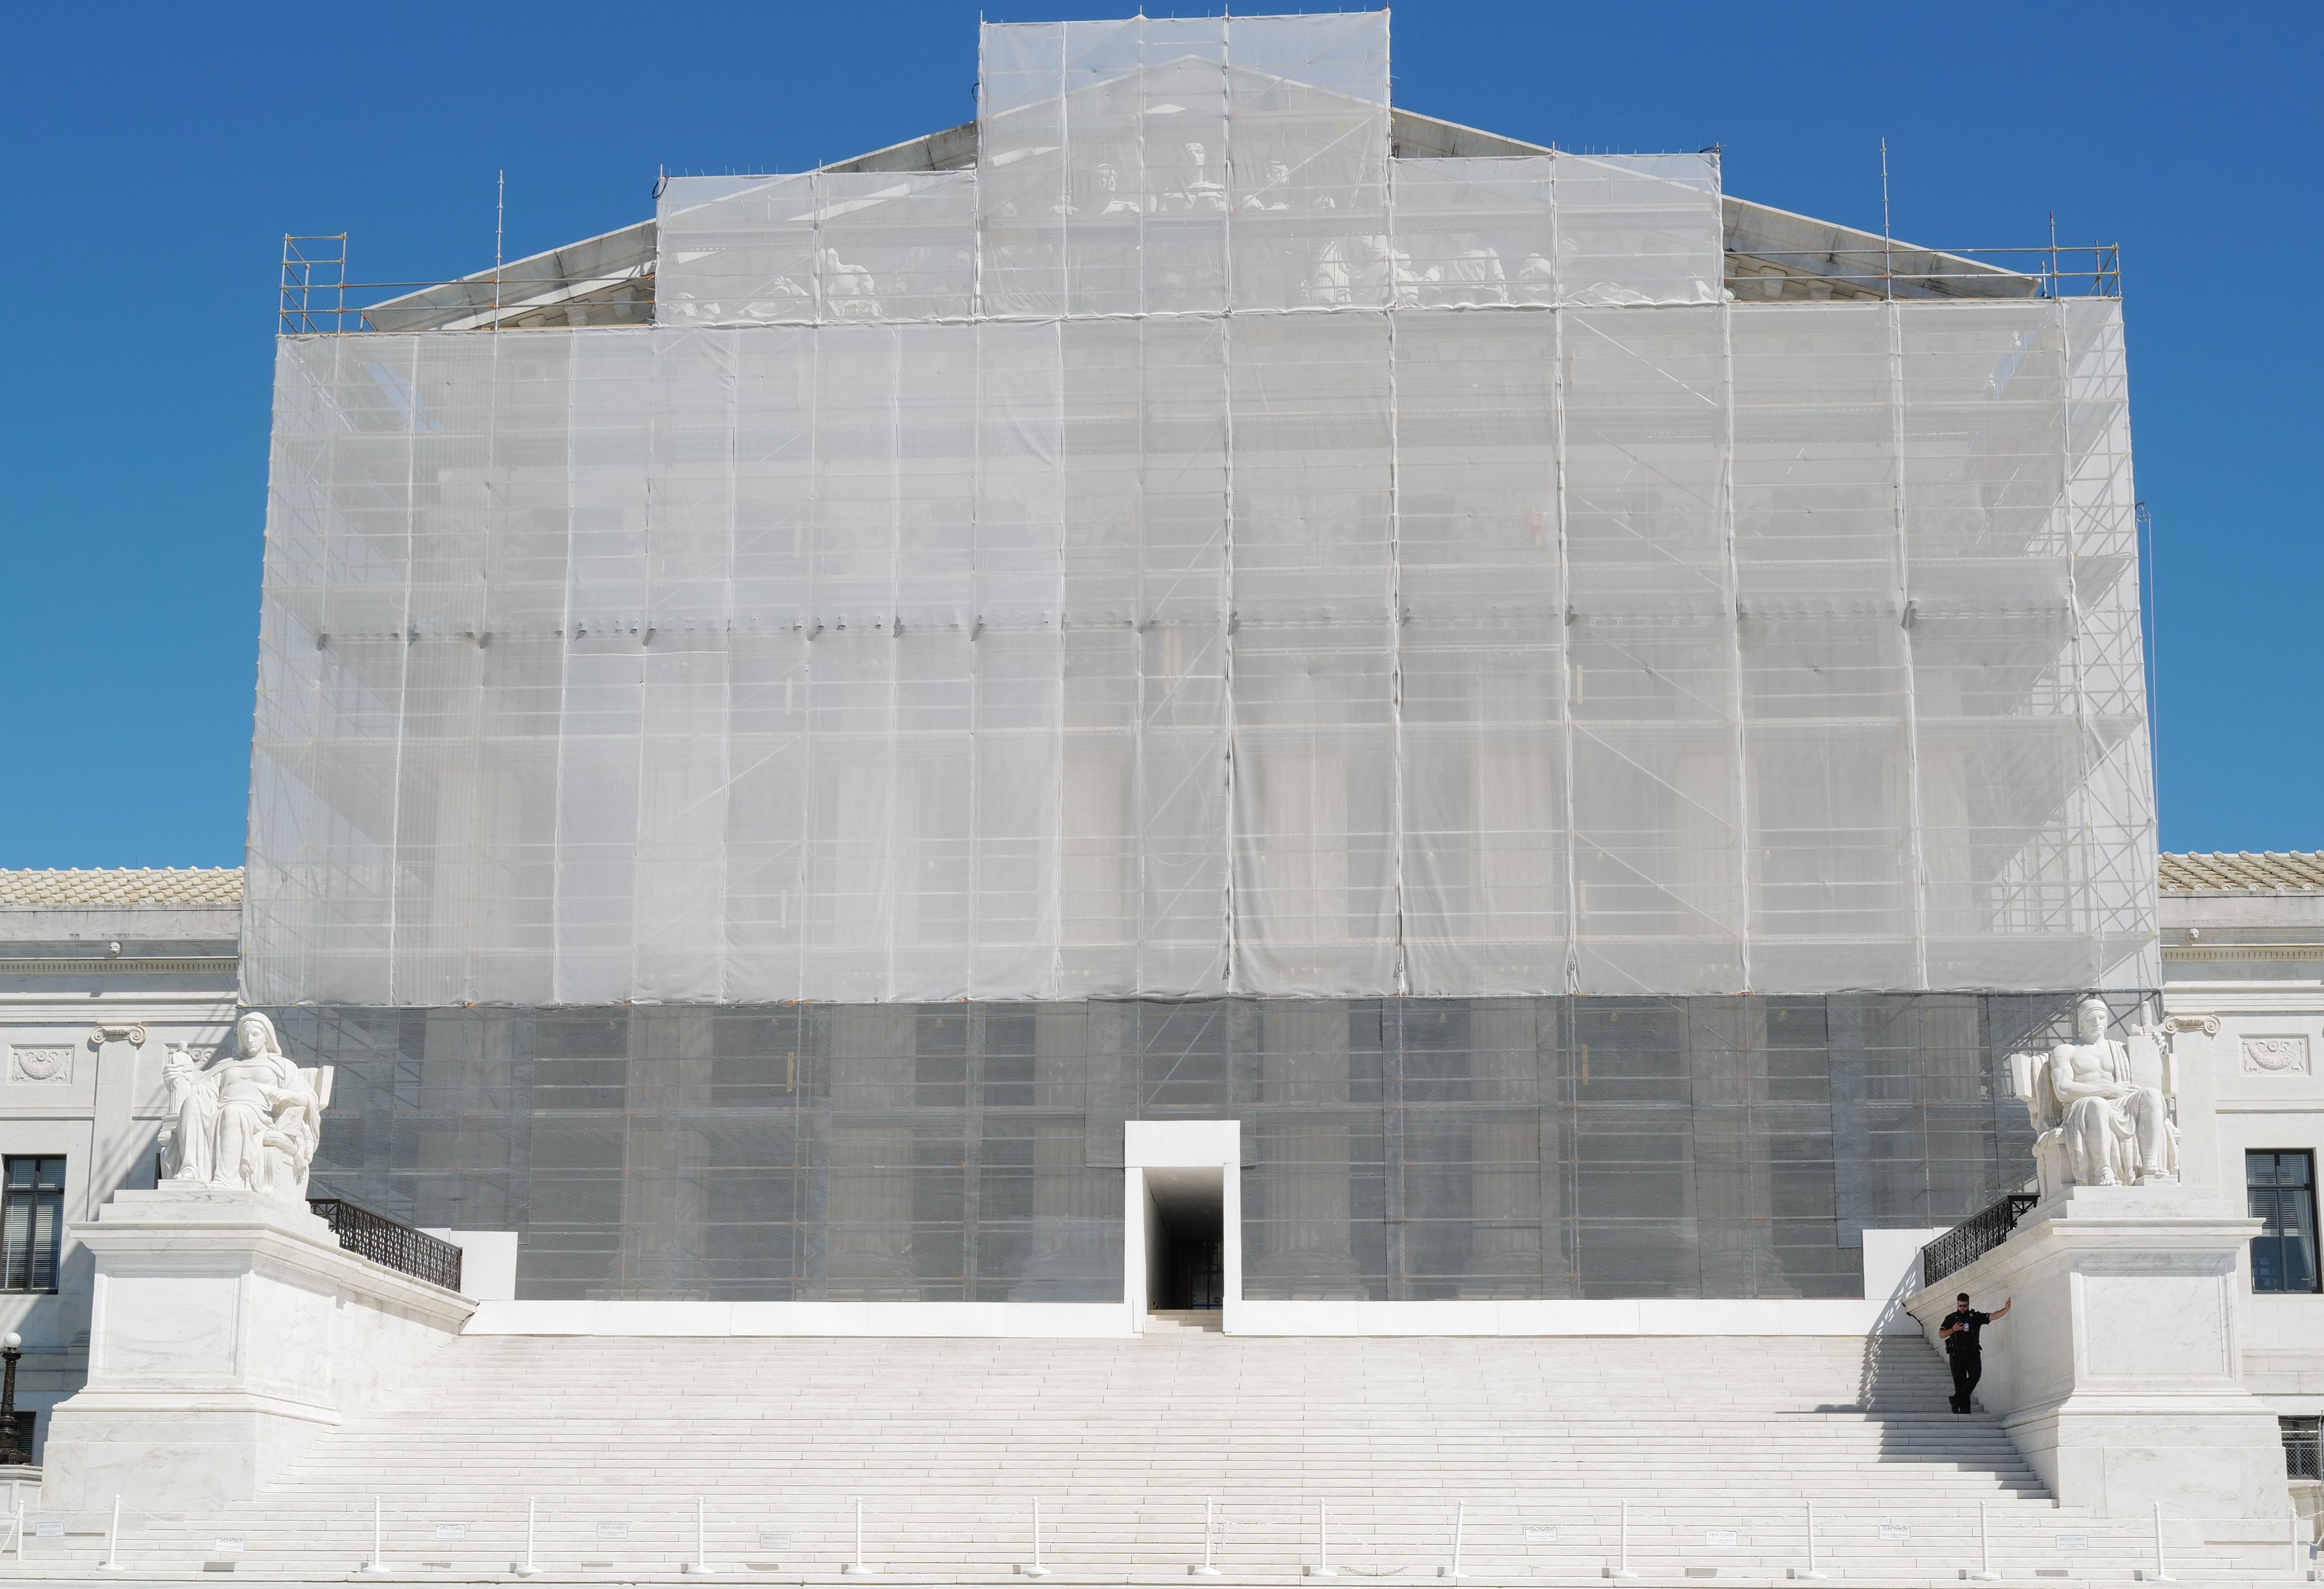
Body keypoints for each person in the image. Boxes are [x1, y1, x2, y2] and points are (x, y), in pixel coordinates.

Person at [1939, 1291, 2011, 1414]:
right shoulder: (1951, 1318)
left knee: (1975, 1376)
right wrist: (1953, 1329)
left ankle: (1956, 1399)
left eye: (1965, 1306)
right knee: (1960, 1382)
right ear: (1957, 1305)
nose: (1962, 1308)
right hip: (1956, 1353)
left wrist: (2006, 1309)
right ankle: (1965, 1410)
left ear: (1969, 1304)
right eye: (1960, 1306)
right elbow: (1941, 1334)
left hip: (1972, 1352)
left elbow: (1992, 1316)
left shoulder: (1975, 1317)